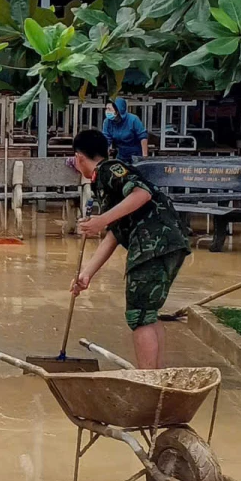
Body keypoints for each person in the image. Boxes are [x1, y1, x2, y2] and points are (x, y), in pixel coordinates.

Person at [70, 128, 192, 369]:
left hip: (152, 244)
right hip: (169, 244)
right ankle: (156, 376)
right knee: (147, 313)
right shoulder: (104, 181)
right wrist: (86, 274)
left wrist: (101, 220)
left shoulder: (108, 170)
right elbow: (116, 232)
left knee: (138, 315)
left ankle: (146, 379)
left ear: (79, 157)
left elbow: (142, 193)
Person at [101, 97, 148, 162]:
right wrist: (104, 158)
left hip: (136, 154)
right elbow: (106, 139)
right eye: (106, 109)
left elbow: (143, 137)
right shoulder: (107, 122)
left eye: (109, 109)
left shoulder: (133, 119)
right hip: (121, 155)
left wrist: (144, 156)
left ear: (118, 111)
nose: (107, 111)